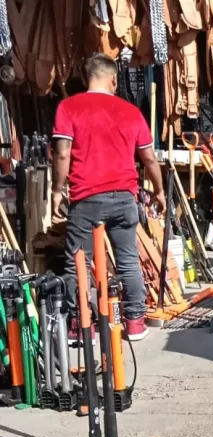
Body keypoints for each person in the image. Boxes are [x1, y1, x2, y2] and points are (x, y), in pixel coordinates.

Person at [52, 53, 165, 341]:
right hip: (124, 197)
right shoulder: (130, 111)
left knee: (78, 263)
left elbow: (63, 153)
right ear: (114, 78)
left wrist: (56, 191)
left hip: (86, 198)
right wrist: (159, 190)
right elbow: (150, 159)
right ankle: (135, 321)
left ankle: (82, 325)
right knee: (128, 260)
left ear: (85, 75)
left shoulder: (68, 107)